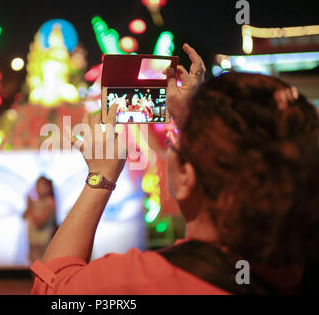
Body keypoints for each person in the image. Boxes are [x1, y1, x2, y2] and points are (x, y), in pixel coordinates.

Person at [29, 43, 319, 294]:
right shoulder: (296, 264)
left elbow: (51, 287)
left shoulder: (146, 281)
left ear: (186, 179)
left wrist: (100, 177)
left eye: (175, 144)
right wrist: (193, 118)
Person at [23, 176, 57, 263]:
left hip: (43, 244)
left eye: (41, 185)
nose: (37, 188)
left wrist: (31, 206)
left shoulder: (49, 202)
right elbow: (24, 216)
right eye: (37, 185)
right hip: (33, 243)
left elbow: (39, 223)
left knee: (41, 271)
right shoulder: (36, 202)